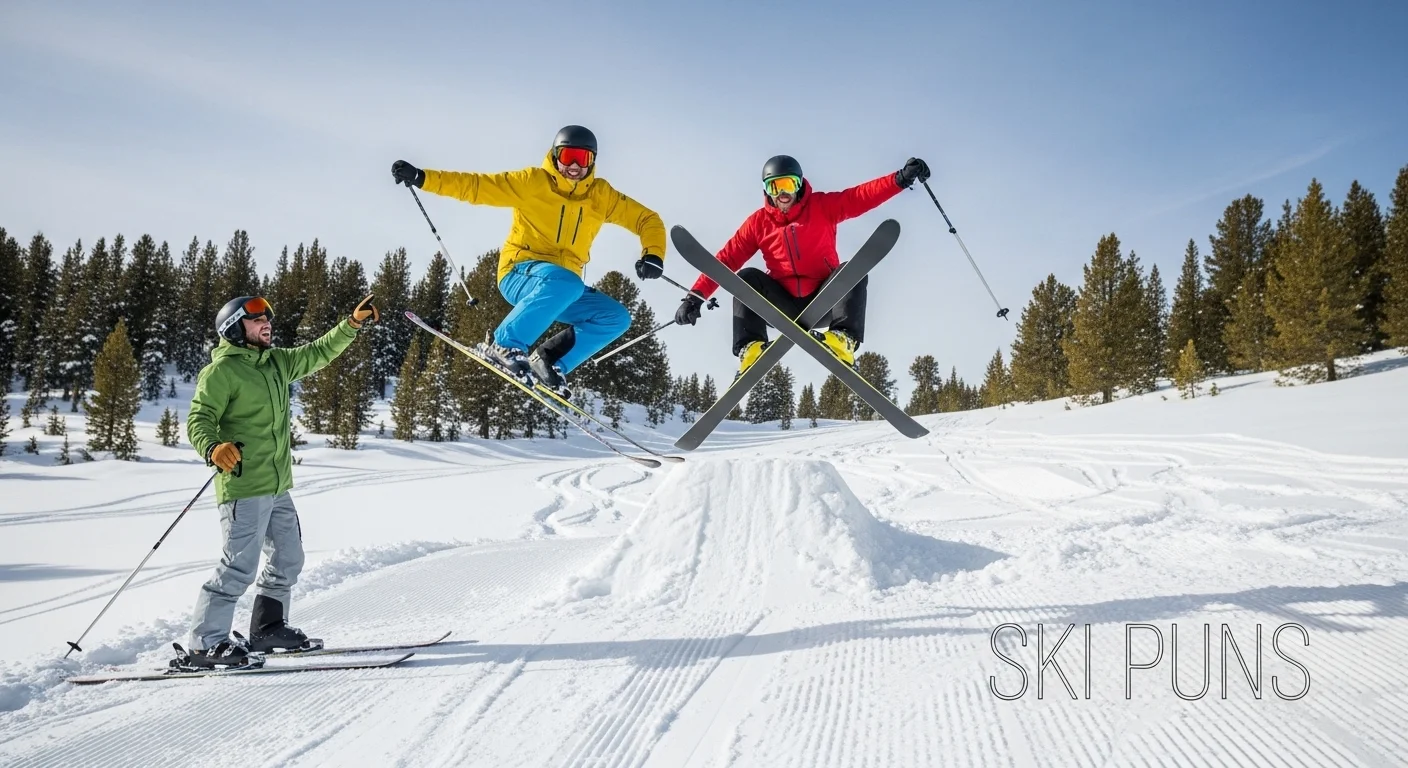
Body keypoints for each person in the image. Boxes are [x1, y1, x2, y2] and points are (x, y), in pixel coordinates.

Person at [391, 125, 668, 397]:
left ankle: (548, 361)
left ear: (592, 161)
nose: (573, 165)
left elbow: (647, 219)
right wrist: (422, 177)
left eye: (581, 158)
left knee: (615, 318)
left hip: (561, 289)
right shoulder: (532, 182)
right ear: (555, 155)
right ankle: (504, 344)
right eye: (567, 156)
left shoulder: (601, 196)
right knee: (567, 283)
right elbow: (476, 186)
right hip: (519, 273)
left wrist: (653, 252)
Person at [180, 293, 379, 668]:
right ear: (235, 328)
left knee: (288, 557)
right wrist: (212, 447)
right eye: (257, 320)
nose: (267, 324)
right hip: (243, 485)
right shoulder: (222, 371)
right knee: (239, 565)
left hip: (277, 485)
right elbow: (199, 418)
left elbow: (318, 352)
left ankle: (267, 628)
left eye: (268, 318)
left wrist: (351, 324)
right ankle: (205, 642)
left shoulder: (276, 363)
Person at [674, 154, 929, 375]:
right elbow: (726, 259)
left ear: (799, 185)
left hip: (824, 302)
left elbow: (859, 198)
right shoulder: (758, 223)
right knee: (746, 277)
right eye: (775, 186)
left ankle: (843, 339)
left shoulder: (821, 207)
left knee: (851, 270)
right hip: (780, 306)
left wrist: (900, 179)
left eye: (788, 185)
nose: (782, 193)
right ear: (766, 189)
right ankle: (750, 348)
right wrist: (695, 296)